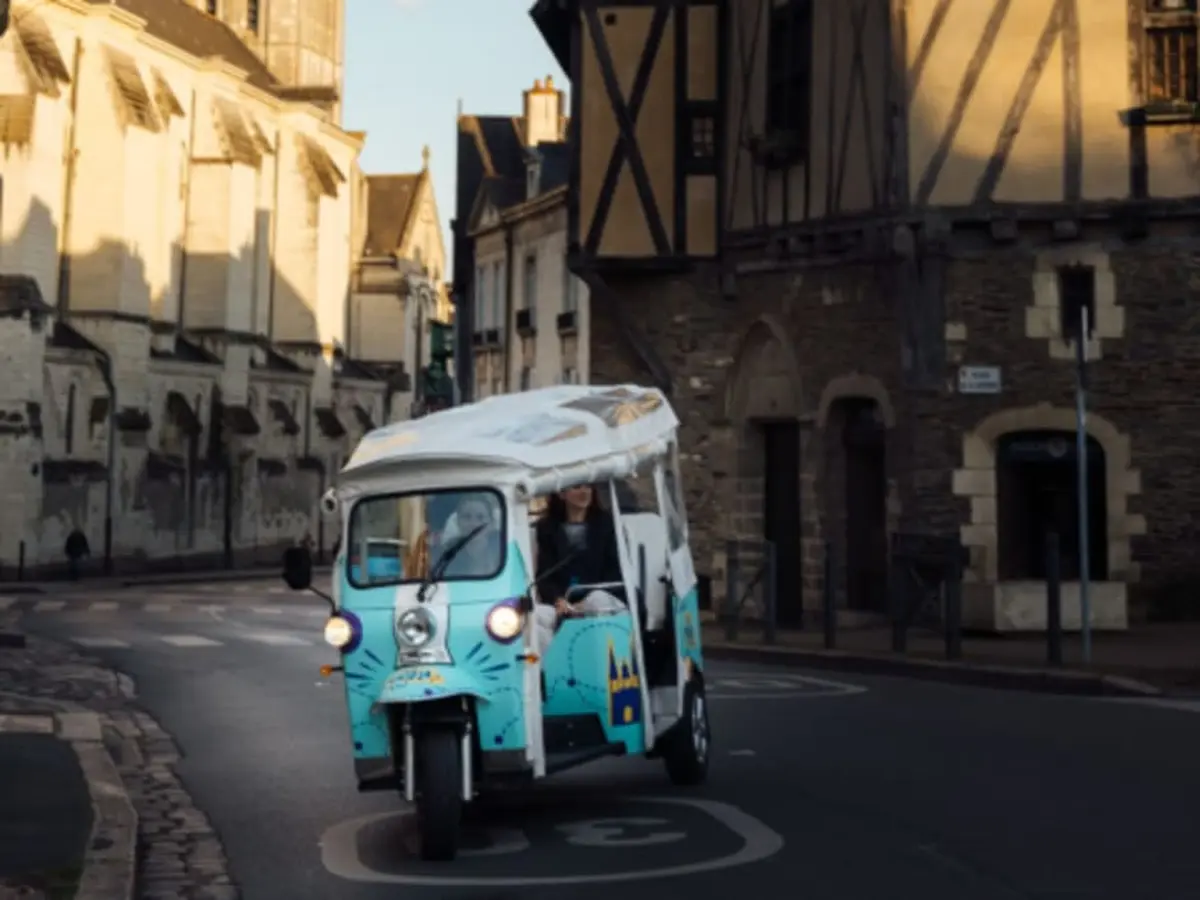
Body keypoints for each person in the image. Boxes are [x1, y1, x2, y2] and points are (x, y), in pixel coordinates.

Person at [531, 484, 626, 655]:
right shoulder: (546, 528)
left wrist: (582, 604)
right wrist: (558, 600)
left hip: (605, 597)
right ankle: (553, 671)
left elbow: (616, 570)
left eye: (588, 487)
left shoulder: (607, 524)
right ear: (561, 494)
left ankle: (600, 665)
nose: (584, 492)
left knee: (597, 601)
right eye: (576, 487)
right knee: (536, 616)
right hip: (565, 603)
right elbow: (545, 575)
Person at [437, 493, 502, 578]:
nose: (473, 524)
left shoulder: (501, 549)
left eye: (480, 517)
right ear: (458, 522)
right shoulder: (447, 553)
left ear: (491, 523)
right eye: (467, 517)